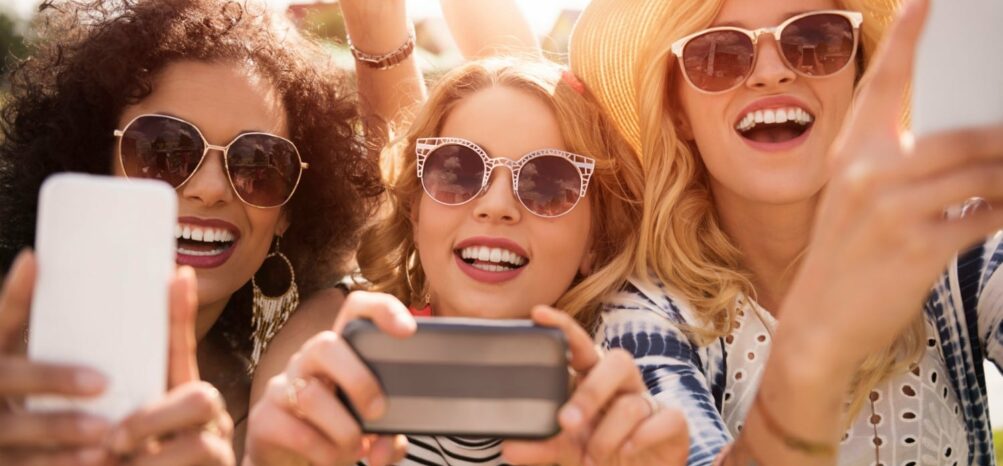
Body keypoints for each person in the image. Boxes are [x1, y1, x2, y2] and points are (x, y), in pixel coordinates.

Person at [569, 0, 1003, 464]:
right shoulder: (646, 318)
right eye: (718, 55)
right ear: (679, 112)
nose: (771, 73)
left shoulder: (956, 247)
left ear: (858, 77)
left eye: (814, 39)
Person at [244, 57, 689, 466]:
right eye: (457, 170)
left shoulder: (626, 417)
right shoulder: (327, 380)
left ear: (596, 239)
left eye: (549, 182)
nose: (496, 205)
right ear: (415, 210)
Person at [0, 0, 382, 463]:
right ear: (94, 167)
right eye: (164, 151)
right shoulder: (12, 380)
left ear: (287, 213)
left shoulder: (293, 415)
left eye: (258, 165)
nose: (211, 189)